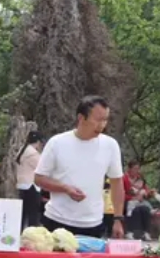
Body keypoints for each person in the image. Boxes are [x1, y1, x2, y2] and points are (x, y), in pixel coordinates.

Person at [34, 95, 125, 238]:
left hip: (93, 224)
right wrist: (65, 188)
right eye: (98, 120)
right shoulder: (57, 143)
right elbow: (39, 179)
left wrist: (118, 219)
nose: (102, 125)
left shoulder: (110, 145)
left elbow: (117, 183)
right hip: (56, 220)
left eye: (105, 120)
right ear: (81, 118)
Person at [15, 131, 44, 228]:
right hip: (31, 185)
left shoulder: (22, 150)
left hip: (22, 185)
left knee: (23, 213)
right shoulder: (33, 154)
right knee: (33, 214)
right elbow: (41, 168)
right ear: (38, 142)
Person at [122, 161, 154, 240]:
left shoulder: (140, 178)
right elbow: (120, 194)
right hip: (127, 201)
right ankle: (130, 232)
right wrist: (133, 198)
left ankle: (146, 233)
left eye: (138, 169)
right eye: (135, 169)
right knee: (135, 210)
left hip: (140, 201)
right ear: (129, 169)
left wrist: (149, 194)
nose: (137, 171)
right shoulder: (123, 178)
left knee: (145, 209)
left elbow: (145, 190)